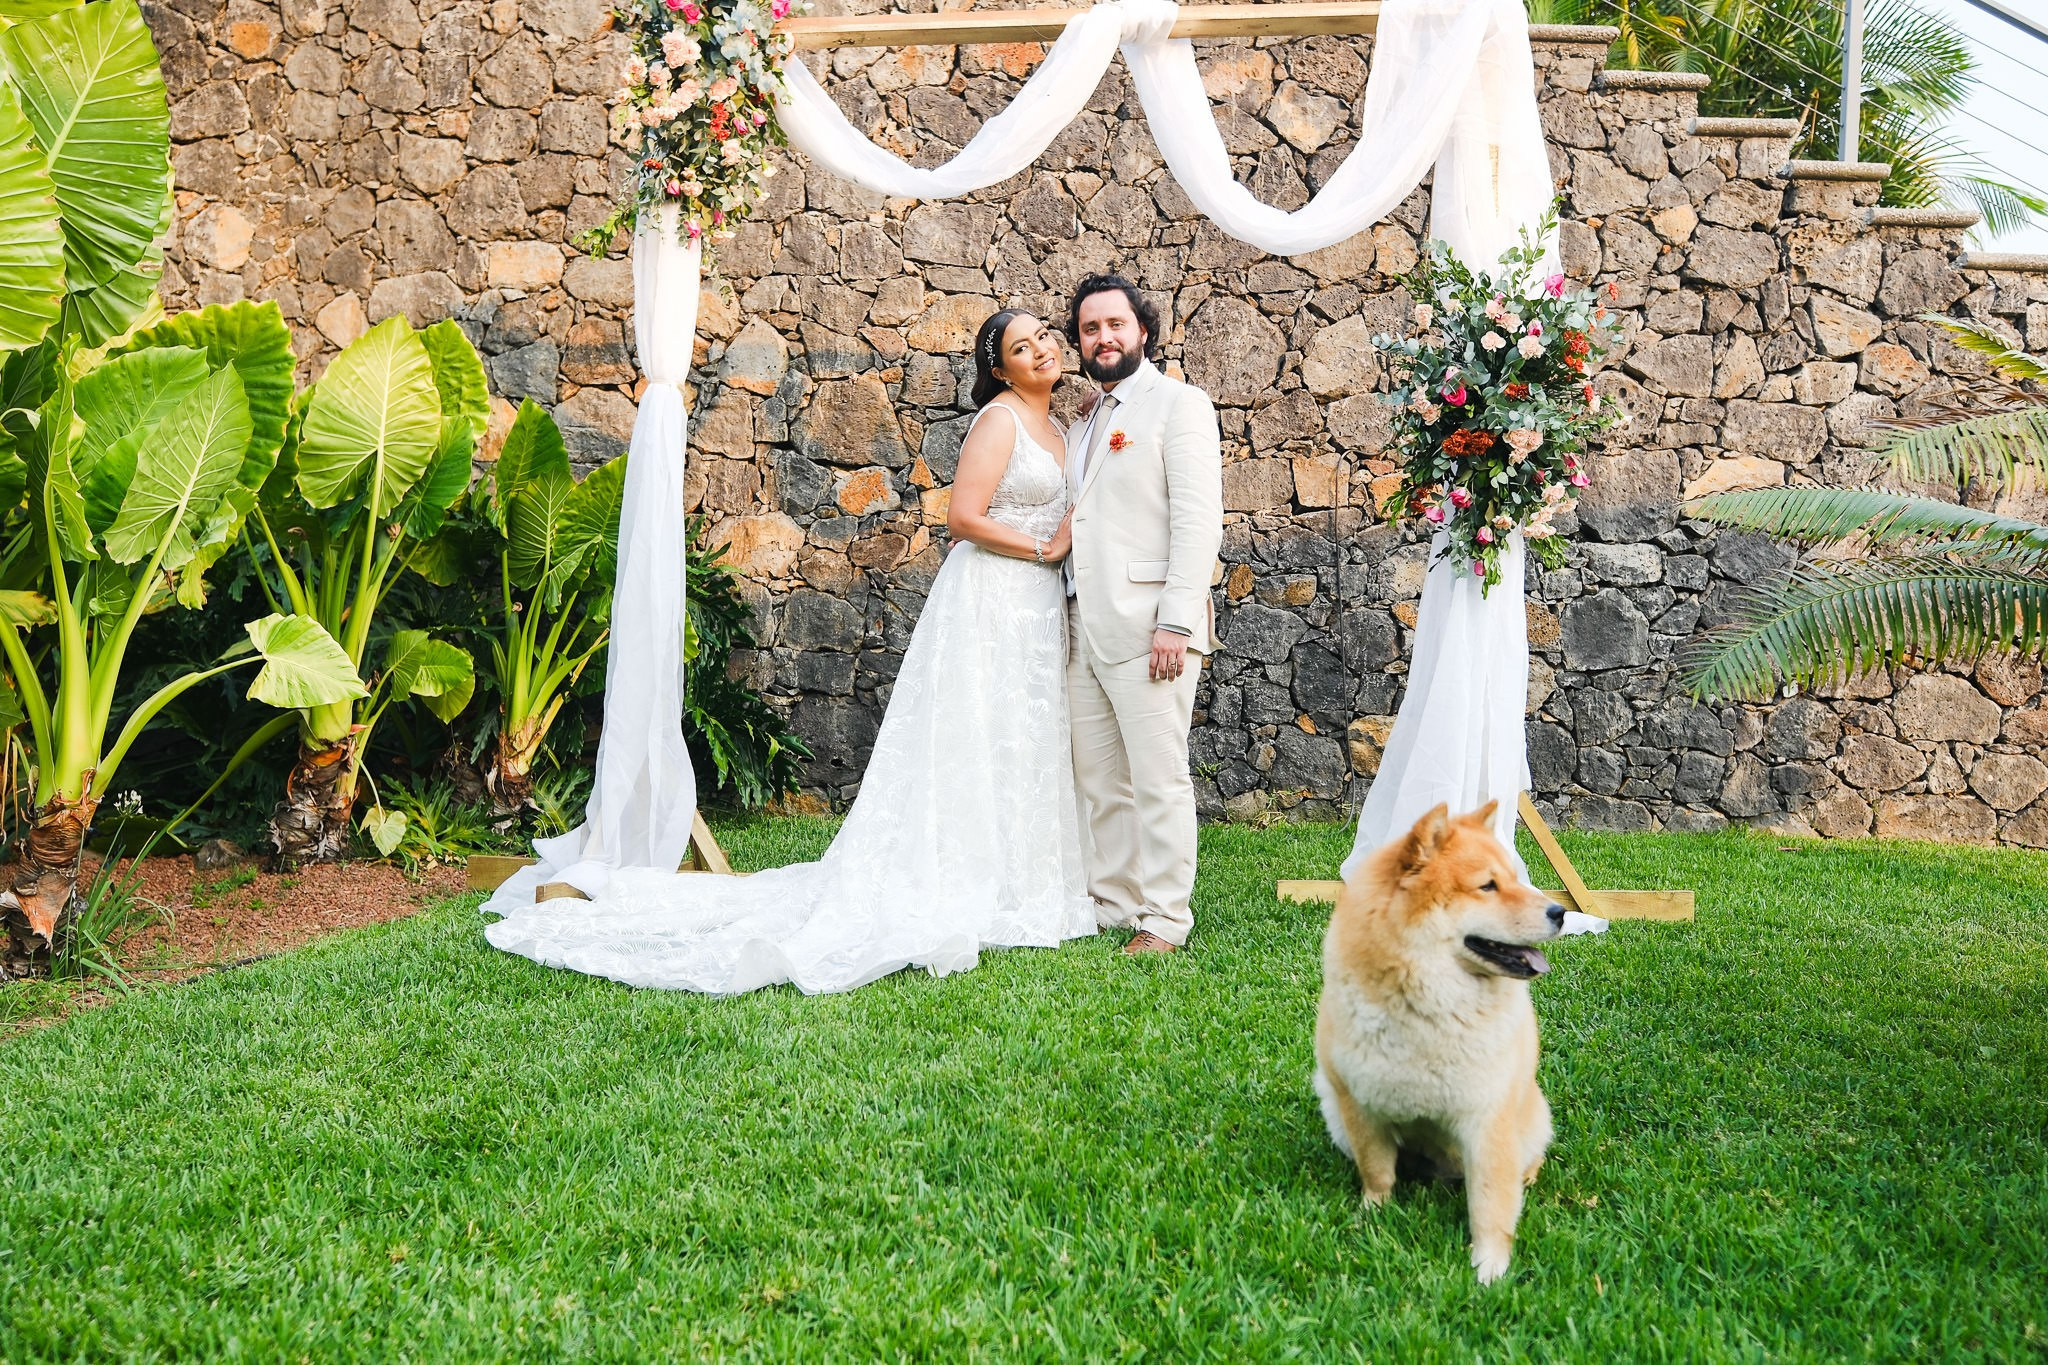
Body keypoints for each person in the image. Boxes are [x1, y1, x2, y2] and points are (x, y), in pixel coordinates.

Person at [483, 310, 1099, 994]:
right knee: (977, 734)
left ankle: (1018, 876)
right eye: (1021, 346)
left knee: (1020, 739)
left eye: (1043, 335)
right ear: (999, 370)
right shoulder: (1001, 420)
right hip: (992, 599)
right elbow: (963, 518)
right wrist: (1049, 544)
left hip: (1036, 609)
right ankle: (966, 876)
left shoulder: (1067, 422)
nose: (1041, 348)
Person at [1062, 274, 1225, 956]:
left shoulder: (1180, 406)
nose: (1103, 338)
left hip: (1151, 625)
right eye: (1090, 328)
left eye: (1115, 325)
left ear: (1143, 331)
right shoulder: (1082, 421)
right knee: (1101, 780)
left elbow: (1197, 520)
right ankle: (1115, 901)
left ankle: (1165, 918)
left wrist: (1177, 621)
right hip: (1082, 627)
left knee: (1159, 778)